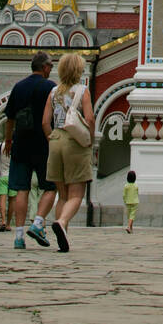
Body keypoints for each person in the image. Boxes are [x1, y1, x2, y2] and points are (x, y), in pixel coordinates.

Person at [42, 52, 95, 253]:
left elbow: (45, 122)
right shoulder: (82, 91)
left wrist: (52, 137)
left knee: (62, 194)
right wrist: (89, 140)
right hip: (75, 141)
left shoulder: (53, 92)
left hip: (56, 140)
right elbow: (89, 118)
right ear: (78, 70)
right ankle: (62, 222)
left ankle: (61, 234)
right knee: (76, 194)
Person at [4, 52, 56, 250]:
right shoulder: (51, 87)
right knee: (51, 187)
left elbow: (10, 118)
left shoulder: (19, 87)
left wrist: (8, 140)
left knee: (21, 190)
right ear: (44, 67)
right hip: (44, 145)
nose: (51, 69)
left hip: (21, 144)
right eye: (50, 66)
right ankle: (37, 223)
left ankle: (18, 236)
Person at [124, 169, 138, 234]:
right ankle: (129, 227)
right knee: (132, 216)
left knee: (129, 215)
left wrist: (125, 200)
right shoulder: (136, 186)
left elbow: (124, 195)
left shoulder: (126, 186)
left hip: (128, 202)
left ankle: (130, 228)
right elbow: (137, 194)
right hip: (135, 202)